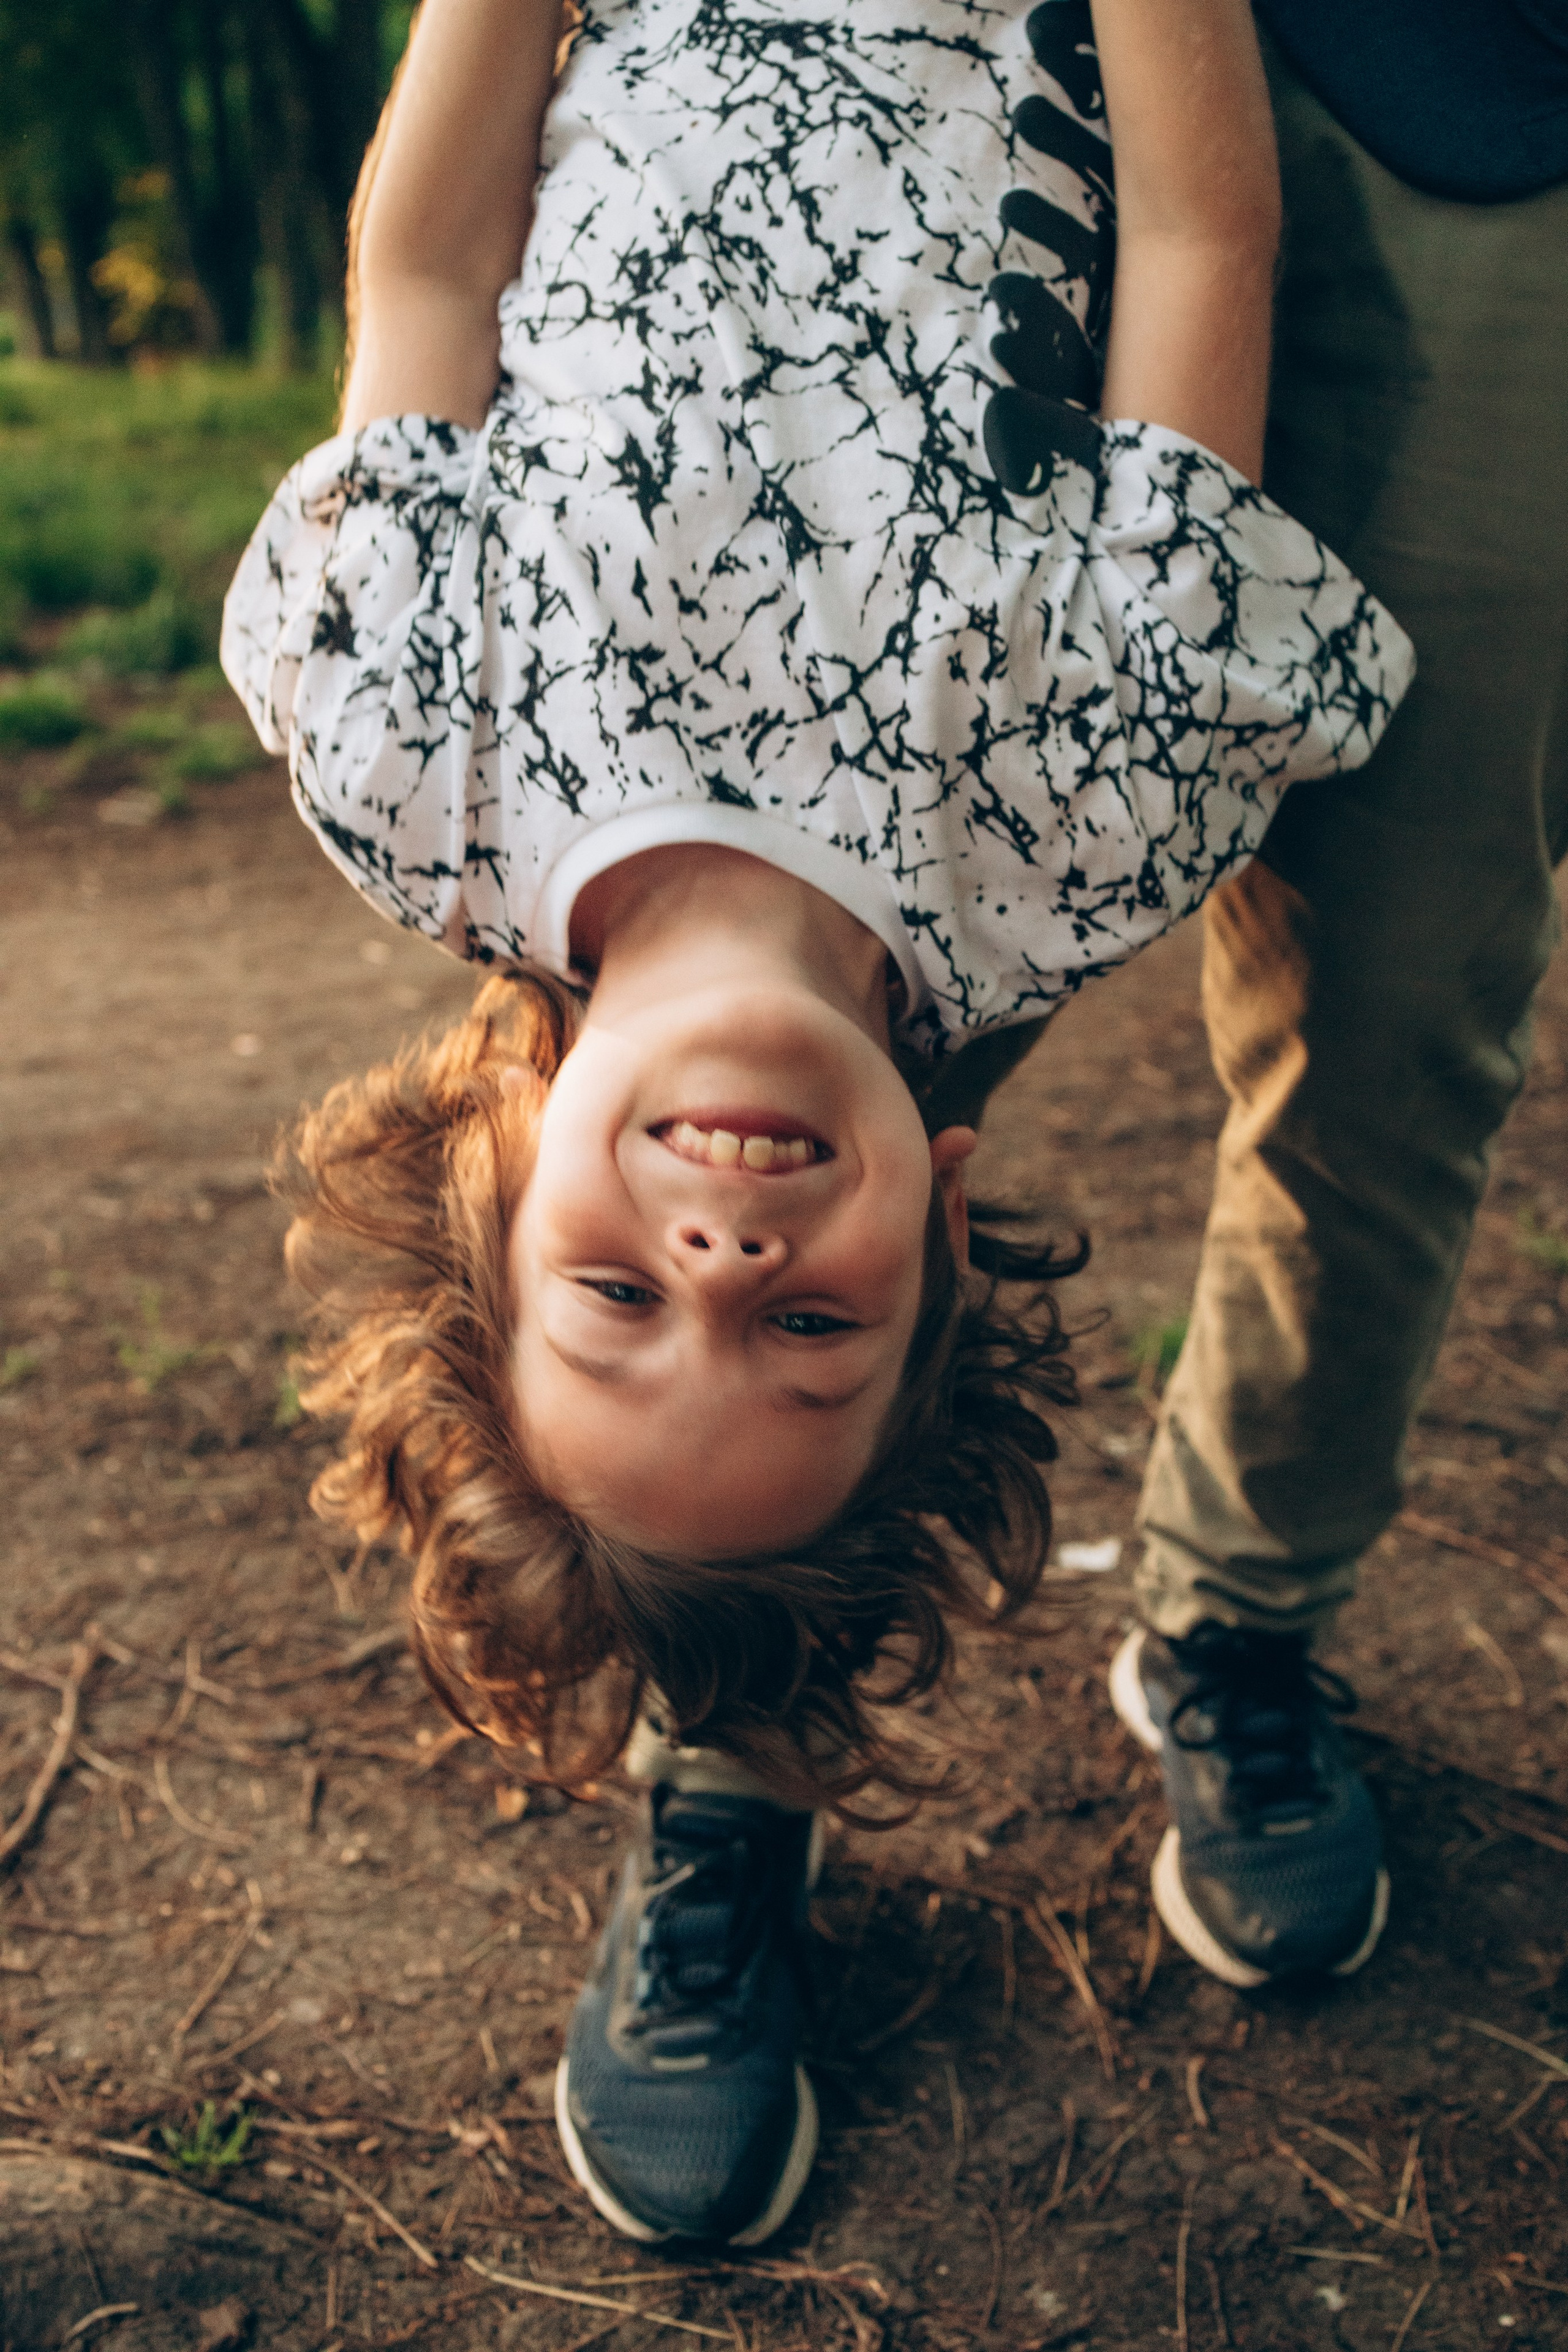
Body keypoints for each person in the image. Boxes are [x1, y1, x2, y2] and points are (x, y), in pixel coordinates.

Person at [222, 0, 1411, 2245]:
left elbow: (420, 273)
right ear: (946, 1233)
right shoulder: (1091, 815)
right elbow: (1197, 242)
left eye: (608, 1303)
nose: (724, 1271)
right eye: (806, 1344)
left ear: (501, 1171)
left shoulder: (408, 750)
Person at [1110, 0, 1568, 1997]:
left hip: (1480, 87)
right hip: (903, 80)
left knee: (1403, 984)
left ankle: (1237, 1622)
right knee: (827, 1013)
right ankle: (736, 1732)